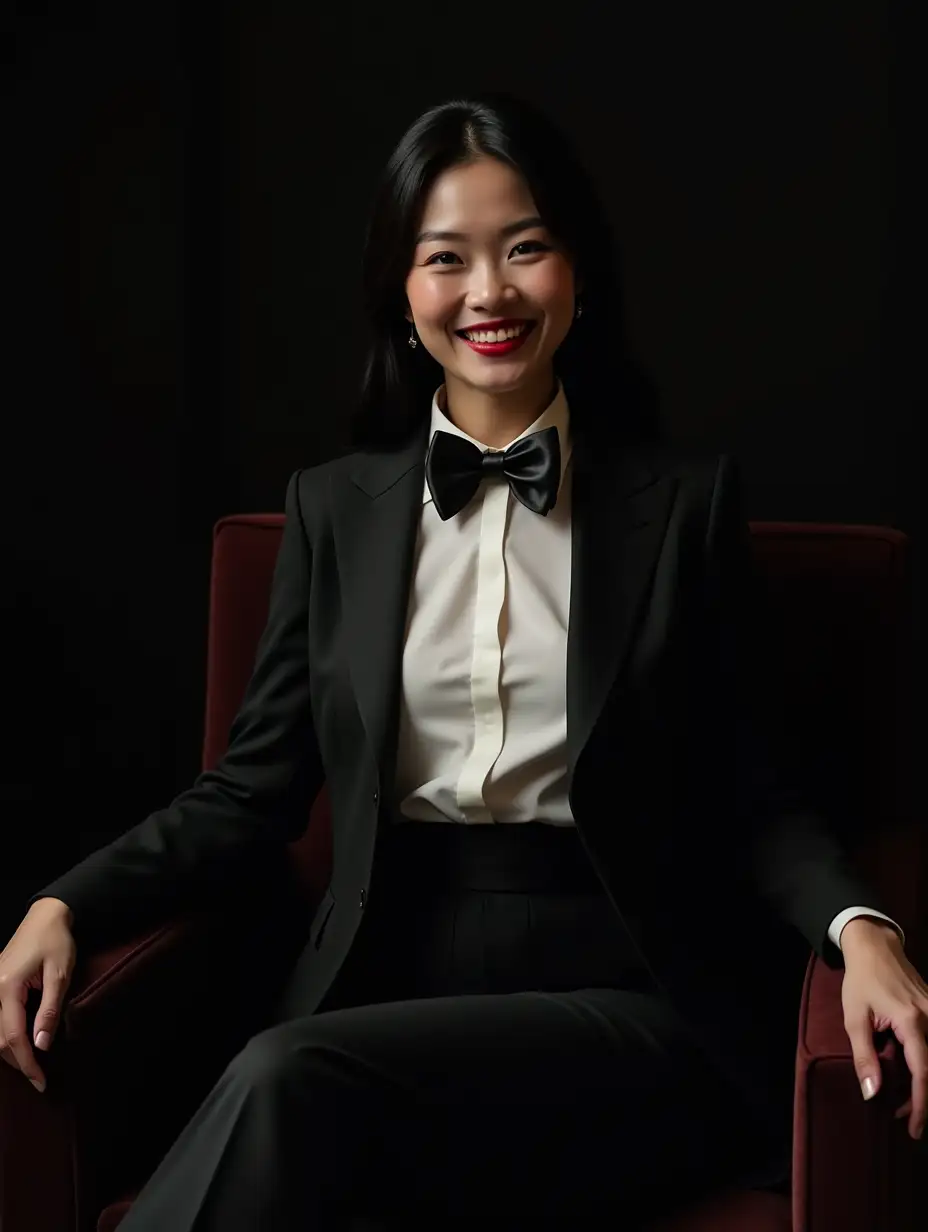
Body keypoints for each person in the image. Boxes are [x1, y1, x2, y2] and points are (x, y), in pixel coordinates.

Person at [1, 93, 925, 1231]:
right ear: (403, 293)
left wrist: (862, 927)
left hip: (623, 992)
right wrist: (64, 899)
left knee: (287, 1082)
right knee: (304, 1085)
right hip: (386, 979)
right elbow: (248, 790)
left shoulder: (681, 511)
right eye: (448, 259)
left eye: (524, 248)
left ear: (578, 276)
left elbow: (754, 793)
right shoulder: (332, 512)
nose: (488, 292)